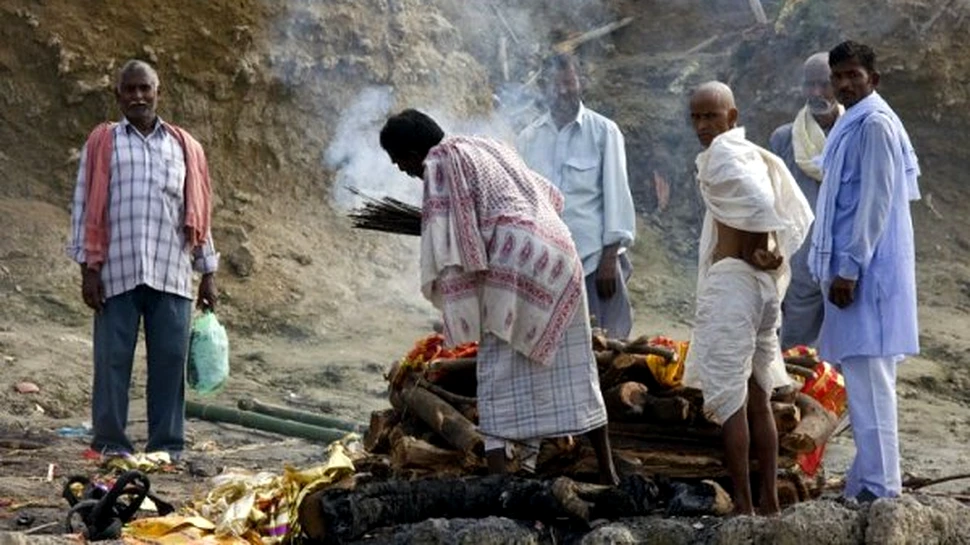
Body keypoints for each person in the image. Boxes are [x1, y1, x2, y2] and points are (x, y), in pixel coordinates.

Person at [380, 108, 619, 485]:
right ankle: (608, 473)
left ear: (413, 151)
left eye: (400, 161)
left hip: (517, 262)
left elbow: (458, 245)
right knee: (575, 368)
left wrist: (465, 308)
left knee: (496, 377)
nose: (403, 170)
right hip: (558, 252)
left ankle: (496, 485)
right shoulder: (483, 145)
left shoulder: (439, 162)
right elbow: (546, 195)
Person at [67, 60, 219, 459]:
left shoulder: (185, 146)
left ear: (157, 91)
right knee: (111, 363)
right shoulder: (103, 143)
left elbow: (199, 211)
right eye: (129, 89)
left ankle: (166, 446)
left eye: (144, 88)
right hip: (116, 272)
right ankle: (110, 443)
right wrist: (88, 271)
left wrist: (208, 273)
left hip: (172, 272)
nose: (137, 96)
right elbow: (83, 208)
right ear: (118, 96)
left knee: (169, 365)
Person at [683, 82, 813, 515]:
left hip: (734, 286)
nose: (703, 126)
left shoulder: (725, 155)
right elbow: (768, 210)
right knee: (757, 397)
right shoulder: (752, 154)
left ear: (732, 117)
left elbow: (759, 205)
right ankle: (770, 501)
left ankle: (743, 504)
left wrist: (757, 241)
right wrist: (764, 249)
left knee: (732, 400)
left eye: (711, 116)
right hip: (760, 287)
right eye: (696, 118)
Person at [808, 41, 921, 501]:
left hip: (864, 277)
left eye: (853, 75)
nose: (843, 84)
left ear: (872, 80)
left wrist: (850, 269)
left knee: (871, 386)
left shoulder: (873, 125)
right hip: (858, 274)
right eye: (838, 76)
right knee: (866, 385)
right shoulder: (850, 123)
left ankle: (881, 489)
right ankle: (863, 483)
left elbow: (873, 204)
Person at [516, 54, 637, 339]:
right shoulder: (528, 138)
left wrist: (610, 258)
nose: (563, 91)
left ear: (580, 82)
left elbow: (616, 196)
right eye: (555, 85)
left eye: (569, 83)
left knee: (607, 341)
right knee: (552, 341)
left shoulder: (604, 131)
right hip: (545, 264)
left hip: (594, 261)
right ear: (543, 87)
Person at [769, 52, 844, 349]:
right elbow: (773, 202)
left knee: (841, 344)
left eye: (823, 84)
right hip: (800, 257)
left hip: (843, 257)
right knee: (794, 345)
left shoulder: (854, 132)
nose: (816, 92)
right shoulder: (785, 138)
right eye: (809, 85)